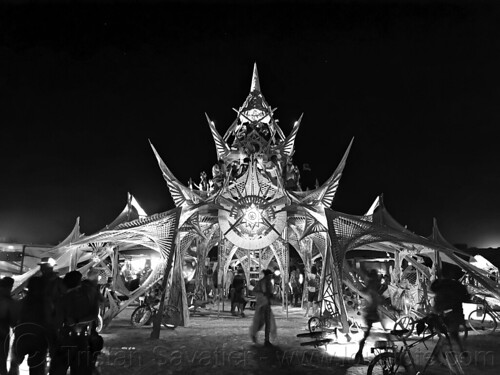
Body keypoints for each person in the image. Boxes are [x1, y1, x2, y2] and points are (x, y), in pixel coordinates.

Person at [50, 270, 103, 375]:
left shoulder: (63, 299)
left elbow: (57, 323)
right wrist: (78, 321)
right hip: (82, 340)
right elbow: (94, 315)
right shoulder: (90, 295)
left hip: (65, 340)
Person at [430, 276, 470, 354]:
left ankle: (439, 353)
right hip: (458, 314)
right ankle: (461, 351)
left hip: (449, 317)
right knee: (453, 334)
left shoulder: (441, 293)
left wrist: (434, 311)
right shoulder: (452, 287)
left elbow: (437, 308)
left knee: (447, 335)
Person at [354, 270, 385, 364]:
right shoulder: (373, 287)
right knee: (369, 335)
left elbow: (376, 298)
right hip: (371, 314)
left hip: (371, 313)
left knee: (366, 335)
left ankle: (359, 355)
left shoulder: (371, 286)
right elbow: (378, 299)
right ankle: (359, 355)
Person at [249, 269, 276, 347]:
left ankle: (265, 339)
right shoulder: (264, 282)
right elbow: (260, 292)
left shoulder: (265, 282)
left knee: (266, 322)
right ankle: (258, 336)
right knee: (262, 322)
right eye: (270, 275)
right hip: (263, 304)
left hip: (265, 304)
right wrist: (266, 295)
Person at [0, 277, 18, 375]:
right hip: (2, 335)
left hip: (3, 335)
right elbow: (13, 322)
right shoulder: (9, 301)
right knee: (2, 362)